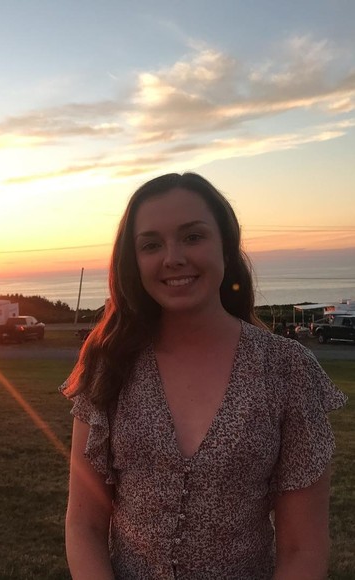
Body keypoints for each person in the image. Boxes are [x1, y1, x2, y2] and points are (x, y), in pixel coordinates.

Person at [61, 173, 347, 579]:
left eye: (192, 237)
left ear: (226, 248)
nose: (173, 258)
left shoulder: (287, 369)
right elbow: (84, 526)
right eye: (151, 245)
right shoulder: (109, 364)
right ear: (133, 261)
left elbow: (303, 547)